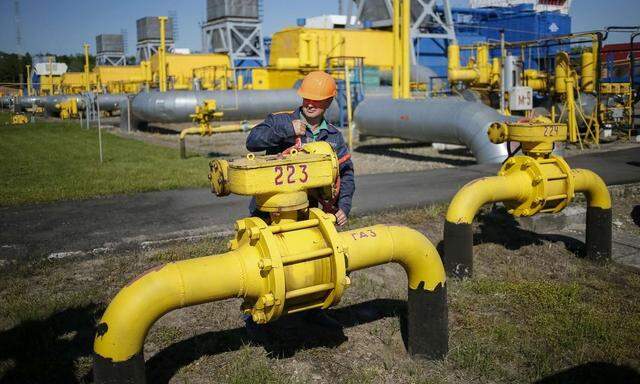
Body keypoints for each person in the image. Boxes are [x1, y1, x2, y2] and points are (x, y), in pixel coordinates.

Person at [246, 71, 355, 225]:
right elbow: (252, 141)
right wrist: (288, 129)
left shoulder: (334, 136)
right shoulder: (281, 120)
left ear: (329, 101)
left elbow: (346, 174)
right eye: (307, 98)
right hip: (269, 212)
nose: (310, 104)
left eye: (316, 100)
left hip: (308, 214)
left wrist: (343, 207)